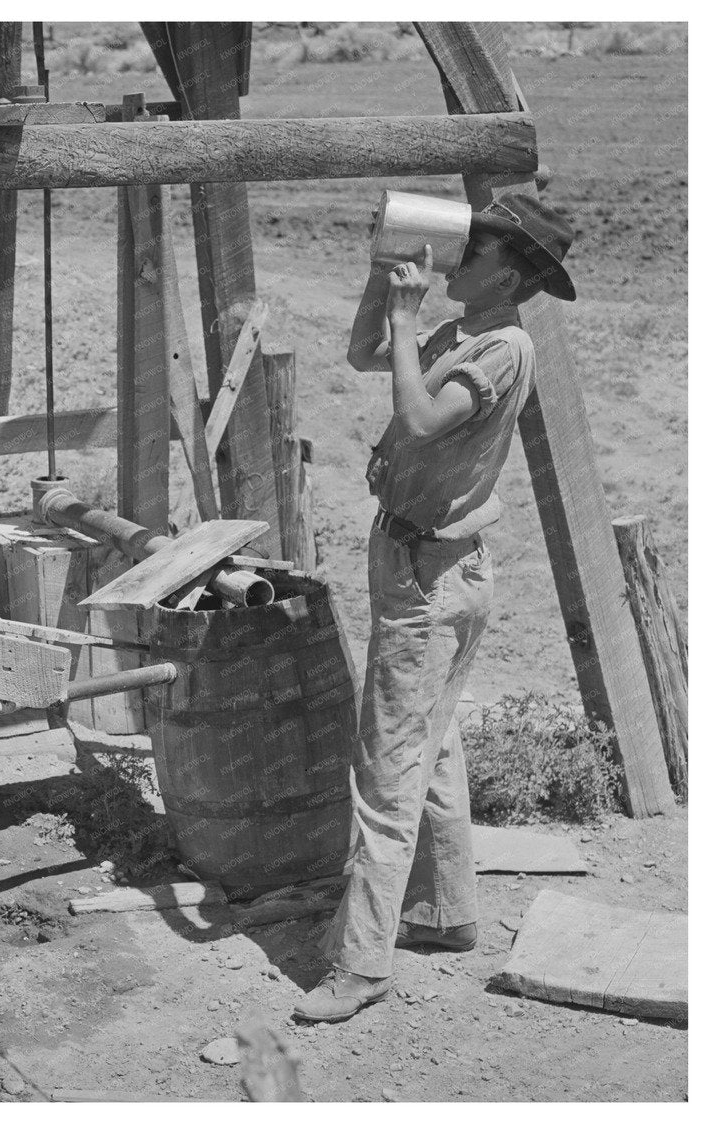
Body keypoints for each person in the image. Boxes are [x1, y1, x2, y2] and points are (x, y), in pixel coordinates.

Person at [293, 194, 578, 1024]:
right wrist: (386, 286)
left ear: (512, 275)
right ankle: (445, 912)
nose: (459, 260)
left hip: (432, 577)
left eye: (475, 252)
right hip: (427, 564)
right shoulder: (463, 331)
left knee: (385, 773)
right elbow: (362, 356)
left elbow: (417, 419)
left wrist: (414, 312)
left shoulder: (502, 348)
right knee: (434, 740)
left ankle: (361, 964)